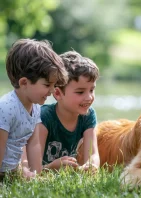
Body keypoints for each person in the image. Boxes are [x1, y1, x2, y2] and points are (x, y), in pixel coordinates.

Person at [22, 51, 100, 174]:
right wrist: (52, 167)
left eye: (92, 90)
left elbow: (93, 154)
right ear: (57, 93)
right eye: (80, 92)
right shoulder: (44, 117)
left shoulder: (88, 115)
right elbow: (32, 170)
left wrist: (90, 166)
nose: (89, 97)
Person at [0, 39, 67, 180]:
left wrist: (36, 175)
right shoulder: (6, 108)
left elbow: (34, 143)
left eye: (54, 85)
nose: (52, 90)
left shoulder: (35, 107)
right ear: (24, 82)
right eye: (47, 85)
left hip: (12, 171)